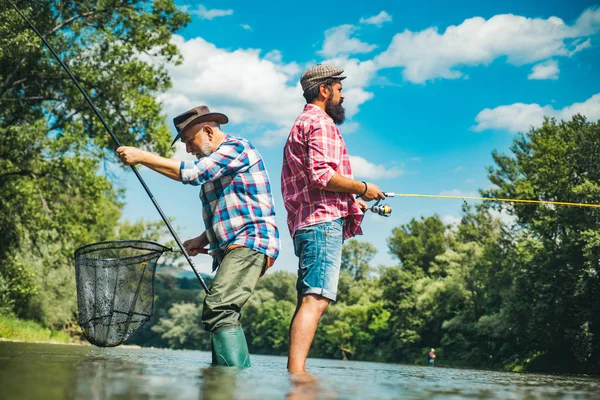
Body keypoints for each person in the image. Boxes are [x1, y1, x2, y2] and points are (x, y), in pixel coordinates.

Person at [117, 105, 279, 367]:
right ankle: (226, 382)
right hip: (235, 245)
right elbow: (231, 210)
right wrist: (202, 240)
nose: (188, 149)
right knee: (222, 311)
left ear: (207, 130)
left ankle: (230, 380)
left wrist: (142, 156)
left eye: (188, 141)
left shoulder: (236, 148)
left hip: (251, 241)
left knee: (219, 307)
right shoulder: (219, 163)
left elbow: (193, 174)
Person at [281, 64, 386, 374]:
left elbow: (315, 183)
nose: (343, 96)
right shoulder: (320, 123)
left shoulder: (301, 123)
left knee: (309, 299)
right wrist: (364, 188)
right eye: (339, 90)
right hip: (321, 224)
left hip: (310, 223)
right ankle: (298, 376)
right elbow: (322, 175)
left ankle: (294, 375)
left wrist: (355, 202)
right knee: (316, 300)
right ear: (324, 90)